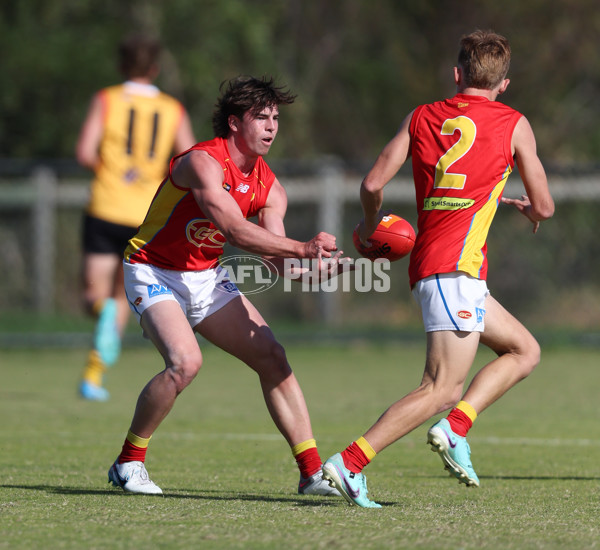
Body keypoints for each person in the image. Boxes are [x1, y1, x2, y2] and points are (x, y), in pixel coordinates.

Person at [322, 29, 555, 507]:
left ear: (456, 74)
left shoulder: (421, 116)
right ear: (504, 83)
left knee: (524, 351)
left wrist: (371, 226)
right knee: (440, 388)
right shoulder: (514, 123)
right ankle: (350, 463)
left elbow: (371, 183)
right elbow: (546, 207)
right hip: (455, 270)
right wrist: (531, 210)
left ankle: (456, 427)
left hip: (445, 268)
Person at [107, 75, 345, 497]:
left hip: (206, 275)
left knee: (273, 357)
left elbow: (278, 261)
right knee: (185, 363)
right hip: (152, 269)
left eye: (275, 118)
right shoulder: (202, 162)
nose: (271, 127)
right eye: (261, 117)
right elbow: (234, 229)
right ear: (234, 123)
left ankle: (311, 475)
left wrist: (313, 269)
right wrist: (304, 248)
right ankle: (128, 462)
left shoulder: (271, 188)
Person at [75, 34, 196, 401]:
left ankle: (97, 364)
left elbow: (84, 152)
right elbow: (191, 159)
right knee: (119, 296)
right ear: (155, 68)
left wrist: (111, 171)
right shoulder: (172, 108)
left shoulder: (106, 100)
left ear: (121, 66)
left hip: (105, 206)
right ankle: (93, 377)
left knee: (94, 297)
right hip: (146, 215)